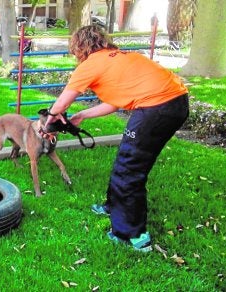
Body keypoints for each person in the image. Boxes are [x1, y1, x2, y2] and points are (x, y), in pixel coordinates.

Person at [42, 25, 189, 252]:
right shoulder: (119, 58)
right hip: (176, 103)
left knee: (129, 168)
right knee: (129, 157)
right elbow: (116, 102)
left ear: (79, 47)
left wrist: (49, 123)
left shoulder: (90, 64)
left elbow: (61, 103)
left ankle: (132, 235)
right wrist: (82, 115)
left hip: (156, 108)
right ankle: (114, 205)